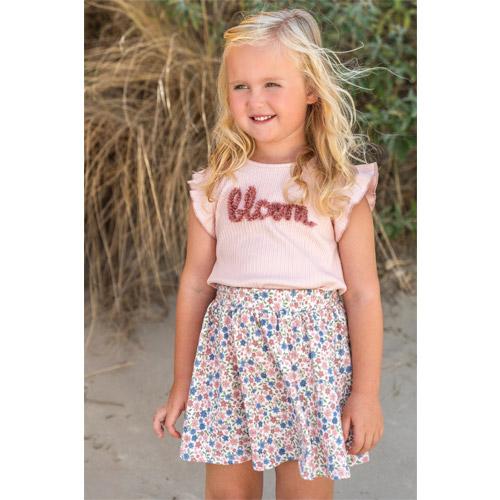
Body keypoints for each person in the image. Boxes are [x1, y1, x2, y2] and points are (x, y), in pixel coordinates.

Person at [153, 8, 384, 500]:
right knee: (228, 494)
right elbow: (195, 284)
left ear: (311, 89)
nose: (255, 99)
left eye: (272, 84)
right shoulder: (216, 184)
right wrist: (182, 383)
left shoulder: (339, 187)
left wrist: (365, 394)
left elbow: (363, 294)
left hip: (311, 364)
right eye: (241, 86)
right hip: (230, 363)